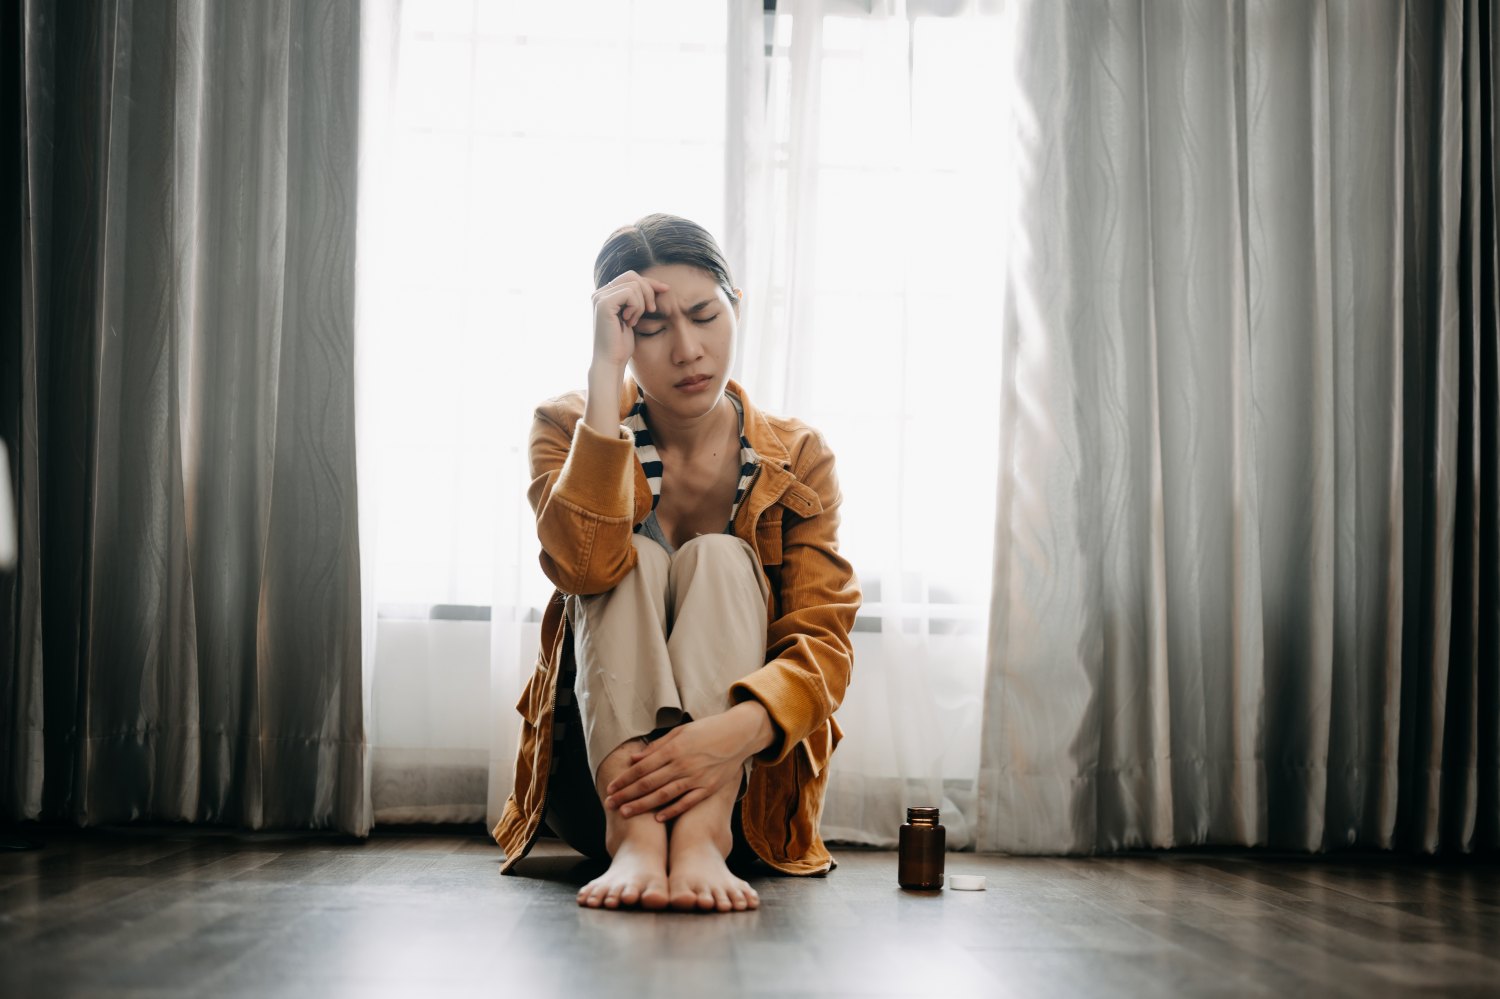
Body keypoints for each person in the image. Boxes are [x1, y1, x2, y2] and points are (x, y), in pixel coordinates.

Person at [491, 213, 860, 913]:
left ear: (736, 308)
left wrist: (720, 739)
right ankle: (636, 839)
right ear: (622, 336)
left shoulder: (798, 454)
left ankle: (698, 836)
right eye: (654, 330)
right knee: (625, 562)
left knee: (721, 557)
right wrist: (605, 378)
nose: (689, 350)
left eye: (704, 315)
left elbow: (823, 643)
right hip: (603, 790)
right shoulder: (569, 427)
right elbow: (581, 566)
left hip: (743, 794)